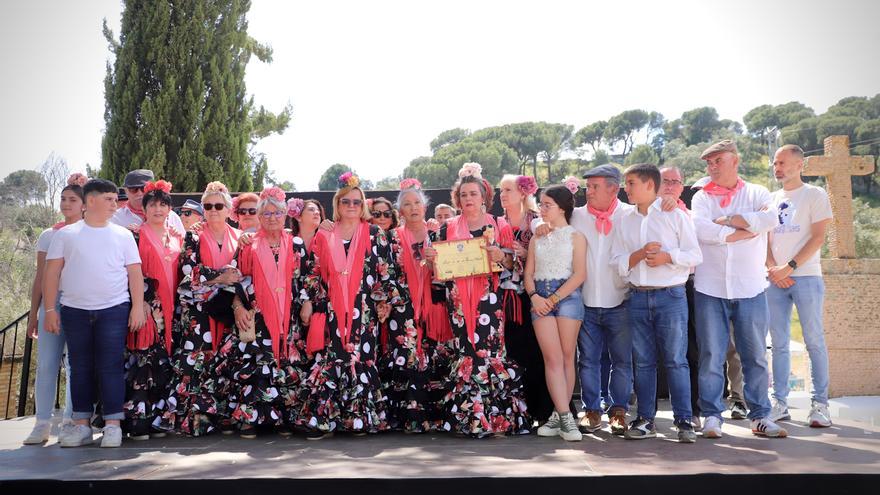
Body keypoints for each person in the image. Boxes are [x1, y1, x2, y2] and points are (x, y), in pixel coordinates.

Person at [295, 172, 405, 438]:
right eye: (347, 202)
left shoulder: (376, 233)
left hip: (363, 310)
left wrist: (384, 301)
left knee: (360, 357)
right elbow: (313, 272)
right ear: (338, 205)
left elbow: (386, 272)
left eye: (357, 202)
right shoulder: (326, 233)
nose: (352, 206)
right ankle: (324, 421)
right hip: (332, 309)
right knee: (333, 359)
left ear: (363, 204)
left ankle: (358, 420)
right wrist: (308, 301)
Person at [692, 139, 787, 439]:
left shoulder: (758, 191)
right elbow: (700, 230)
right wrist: (738, 234)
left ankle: (760, 416)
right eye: (709, 163)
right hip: (710, 288)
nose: (712, 167)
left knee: (755, 355)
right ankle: (711, 416)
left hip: (751, 288)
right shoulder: (702, 197)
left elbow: (771, 218)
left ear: (735, 160)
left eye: (717, 161)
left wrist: (730, 220)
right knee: (711, 355)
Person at [427, 163, 530, 437]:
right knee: (466, 352)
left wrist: (502, 256)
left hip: (490, 301)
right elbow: (436, 270)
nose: (468, 199)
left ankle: (496, 419)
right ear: (457, 199)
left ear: (484, 196)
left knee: (489, 352)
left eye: (473, 194)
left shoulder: (499, 224)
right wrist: (432, 261)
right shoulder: (446, 228)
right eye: (463, 195)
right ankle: (469, 418)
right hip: (458, 301)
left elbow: (512, 264)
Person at [43, 178, 145, 448]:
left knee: (110, 366)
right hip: (74, 311)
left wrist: (136, 306)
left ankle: (113, 425)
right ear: (91, 201)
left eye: (115, 199)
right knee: (79, 368)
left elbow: (135, 272)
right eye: (110, 199)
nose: (115, 204)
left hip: (114, 310)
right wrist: (51, 309)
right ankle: (81, 426)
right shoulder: (65, 235)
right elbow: (51, 272)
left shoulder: (123, 235)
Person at [537, 165, 634, 435]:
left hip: (621, 299)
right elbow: (547, 219)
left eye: (594, 187)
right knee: (587, 360)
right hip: (585, 300)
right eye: (587, 186)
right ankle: (591, 410)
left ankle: (619, 411)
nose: (587, 192)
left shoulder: (629, 215)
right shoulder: (577, 216)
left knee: (622, 361)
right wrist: (541, 227)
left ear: (613, 189)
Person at [612, 164, 702, 443]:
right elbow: (616, 261)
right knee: (643, 362)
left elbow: (694, 254)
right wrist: (638, 255)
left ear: (650, 185)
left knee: (676, 361)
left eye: (631, 183)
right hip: (638, 296)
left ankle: (684, 420)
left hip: (671, 295)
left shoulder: (674, 214)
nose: (625, 189)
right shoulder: (624, 219)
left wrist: (668, 257)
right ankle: (645, 419)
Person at [210, 187, 305, 438]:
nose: (272, 217)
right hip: (256, 316)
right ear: (260, 217)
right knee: (255, 364)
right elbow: (234, 280)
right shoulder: (248, 244)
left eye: (277, 213)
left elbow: (308, 278)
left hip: (288, 315)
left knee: (285, 363)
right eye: (266, 213)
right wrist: (238, 306)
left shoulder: (296, 244)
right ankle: (249, 418)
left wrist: (306, 304)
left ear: (286, 215)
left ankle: (285, 417)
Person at [161, 181, 242, 436]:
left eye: (219, 205)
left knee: (224, 359)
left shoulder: (240, 237)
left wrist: (231, 284)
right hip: (197, 310)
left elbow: (244, 272)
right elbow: (188, 270)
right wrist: (221, 277)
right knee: (197, 361)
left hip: (227, 308)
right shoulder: (192, 235)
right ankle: (195, 420)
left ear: (229, 209)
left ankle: (222, 417)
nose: (214, 209)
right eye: (208, 205)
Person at [374, 178, 451, 432]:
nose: (413, 207)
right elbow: (385, 272)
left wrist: (434, 265)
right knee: (405, 356)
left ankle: (435, 417)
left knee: (434, 353)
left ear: (425, 206)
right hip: (402, 307)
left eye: (417, 202)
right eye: (407, 204)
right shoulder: (390, 238)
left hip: (435, 306)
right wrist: (396, 299)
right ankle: (406, 417)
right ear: (401, 211)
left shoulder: (438, 234)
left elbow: (449, 272)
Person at [766, 144, 834, 428]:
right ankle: (779, 403)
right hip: (774, 280)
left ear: (799, 165)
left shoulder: (815, 195)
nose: (777, 168)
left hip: (806, 276)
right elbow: (764, 240)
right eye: (775, 163)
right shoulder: (770, 199)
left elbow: (818, 238)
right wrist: (773, 269)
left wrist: (788, 267)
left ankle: (820, 405)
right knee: (778, 344)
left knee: (814, 341)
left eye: (782, 163)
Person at [22, 173, 86, 445]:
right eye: (63, 198)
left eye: (72, 199)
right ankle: (42, 423)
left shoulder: (90, 232)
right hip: (51, 305)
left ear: (84, 204)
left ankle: (71, 420)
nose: (66, 203)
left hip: (78, 305)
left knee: (75, 365)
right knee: (47, 364)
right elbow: (40, 277)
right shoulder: (48, 235)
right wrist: (34, 314)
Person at [525, 185, 587, 441]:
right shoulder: (536, 237)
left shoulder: (576, 237)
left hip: (568, 297)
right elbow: (528, 273)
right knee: (551, 359)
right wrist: (535, 297)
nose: (542, 209)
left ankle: (558, 415)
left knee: (565, 356)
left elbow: (580, 274)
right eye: (541, 204)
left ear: (562, 207)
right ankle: (565, 418)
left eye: (547, 204)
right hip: (540, 298)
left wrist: (554, 298)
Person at [123, 180, 180, 440]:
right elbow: (127, 272)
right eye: (153, 204)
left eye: (163, 204)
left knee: (166, 365)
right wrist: (140, 301)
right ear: (143, 208)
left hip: (176, 310)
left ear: (169, 208)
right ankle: (138, 423)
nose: (158, 209)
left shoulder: (180, 237)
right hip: (147, 308)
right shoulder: (134, 235)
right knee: (143, 363)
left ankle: (159, 421)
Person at [498, 174, 554, 424]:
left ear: (523, 192)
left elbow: (552, 258)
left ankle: (543, 410)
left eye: (508, 189)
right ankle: (518, 413)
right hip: (501, 299)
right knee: (511, 355)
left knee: (536, 354)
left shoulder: (536, 221)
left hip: (531, 296)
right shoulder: (496, 222)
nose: (503, 194)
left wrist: (526, 252)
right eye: (501, 190)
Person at [112, 169, 185, 236]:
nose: (139, 193)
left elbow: (183, 243)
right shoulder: (115, 218)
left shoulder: (171, 216)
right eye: (134, 189)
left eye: (143, 188)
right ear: (126, 191)